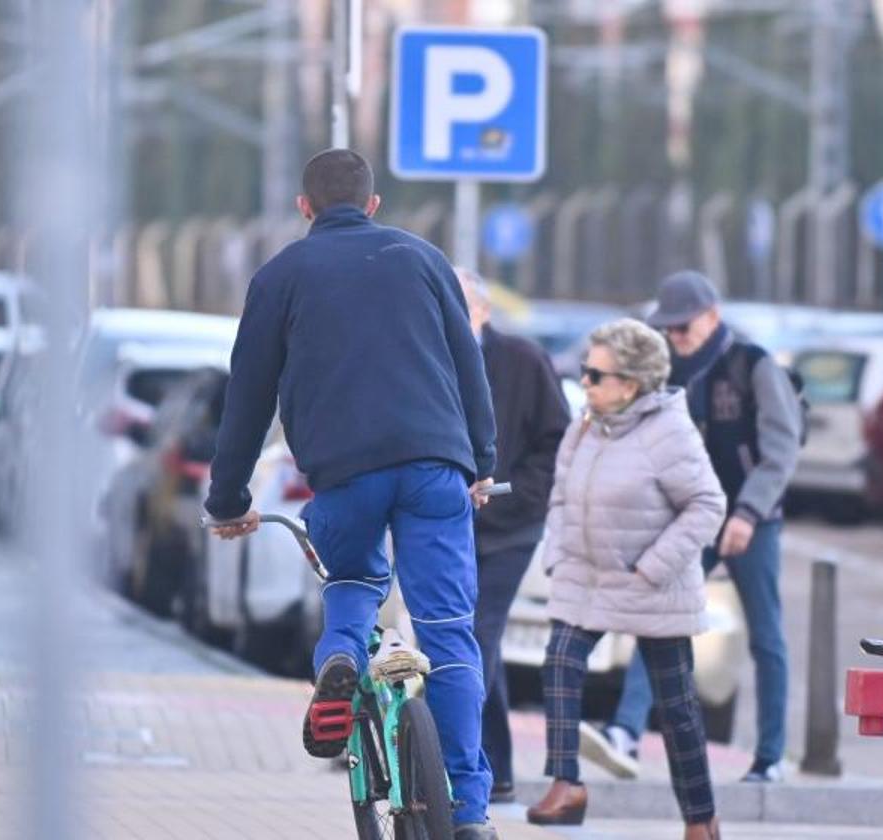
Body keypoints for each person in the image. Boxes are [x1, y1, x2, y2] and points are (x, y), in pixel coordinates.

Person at [204, 149, 500, 840]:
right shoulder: (424, 259)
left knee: (355, 581)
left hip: (343, 476)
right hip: (435, 468)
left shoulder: (279, 277)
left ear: (304, 208)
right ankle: (474, 811)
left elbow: (247, 400)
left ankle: (339, 658)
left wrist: (228, 499)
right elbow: (469, 368)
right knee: (449, 630)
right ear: (373, 205)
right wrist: (480, 461)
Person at [582, 271, 801, 784]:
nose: (677, 336)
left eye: (685, 327)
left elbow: (781, 449)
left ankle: (770, 756)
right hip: (691, 518)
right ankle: (624, 732)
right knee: (657, 618)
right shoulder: (668, 370)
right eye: (670, 328)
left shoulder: (753, 365)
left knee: (766, 635)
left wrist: (748, 513)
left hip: (753, 518)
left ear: (712, 316)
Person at [526, 319, 725, 840]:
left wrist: (652, 567)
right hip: (587, 580)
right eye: (584, 372)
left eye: (596, 374)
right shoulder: (586, 424)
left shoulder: (669, 431)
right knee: (561, 660)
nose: (584, 383)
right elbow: (564, 493)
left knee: (677, 709)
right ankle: (566, 784)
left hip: (651, 587)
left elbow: (707, 505)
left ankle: (701, 820)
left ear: (631, 385)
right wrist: (559, 558)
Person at [456, 268, 568, 804]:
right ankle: (496, 768)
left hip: (510, 527)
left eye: (459, 303)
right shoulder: (432, 358)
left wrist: (520, 493)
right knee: (472, 640)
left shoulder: (522, 360)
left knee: (476, 635)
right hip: (450, 525)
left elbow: (556, 439)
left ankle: (466, 771)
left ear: (483, 310)